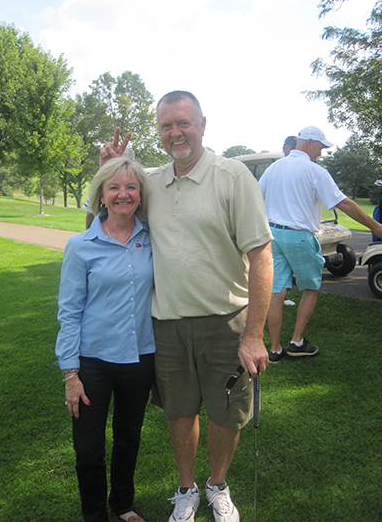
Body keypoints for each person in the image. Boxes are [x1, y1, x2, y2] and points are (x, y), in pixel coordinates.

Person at [99, 91, 274, 522]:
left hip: (226, 322)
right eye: (166, 125)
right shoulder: (152, 182)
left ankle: (217, 484)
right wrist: (109, 166)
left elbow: (262, 257)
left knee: (227, 413)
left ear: (202, 124)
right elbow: (111, 207)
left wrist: (253, 335)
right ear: (159, 131)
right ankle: (186, 488)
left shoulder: (232, 176)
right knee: (179, 411)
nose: (175, 132)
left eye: (183, 123)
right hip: (168, 325)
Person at [55, 156, 155, 522]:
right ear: (100, 196)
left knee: (128, 440)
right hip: (91, 363)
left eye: (130, 186)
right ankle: (95, 515)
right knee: (88, 450)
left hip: (140, 358)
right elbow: (69, 311)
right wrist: (70, 373)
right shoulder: (80, 246)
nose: (122, 194)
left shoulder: (153, 237)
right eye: (113, 187)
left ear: (141, 194)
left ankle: (123, 505)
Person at [259, 125, 382, 363]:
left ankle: (274, 349)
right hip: (299, 235)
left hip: (273, 235)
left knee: (277, 291)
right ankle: (296, 343)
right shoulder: (314, 171)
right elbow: (343, 204)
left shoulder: (274, 167)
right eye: (321, 147)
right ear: (309, 142)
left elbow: (256, 197)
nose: (321, 153)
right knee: (311, 287)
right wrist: (376, 227)